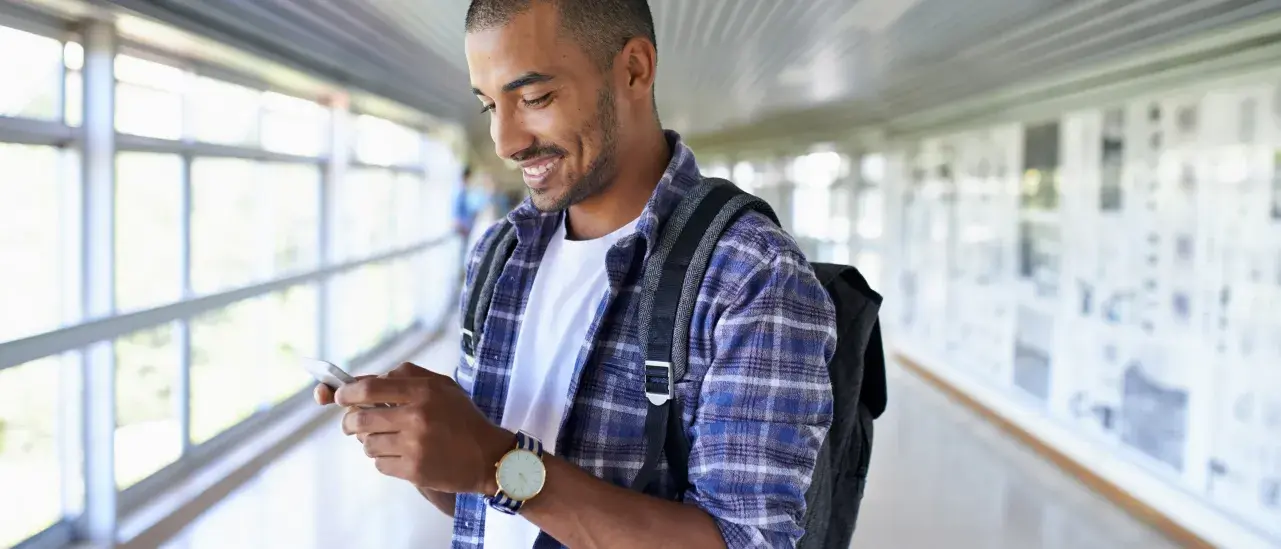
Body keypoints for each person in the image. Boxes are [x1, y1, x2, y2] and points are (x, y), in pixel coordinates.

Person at [314, 1, 837, 547]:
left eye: (535, 98)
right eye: (490, 105)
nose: (505, 142)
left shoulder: (749, 275)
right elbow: (488, 507)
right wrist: (429, 446)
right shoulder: (501, 252)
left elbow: (746, 540)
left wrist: (498, 462)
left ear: (634, 69)